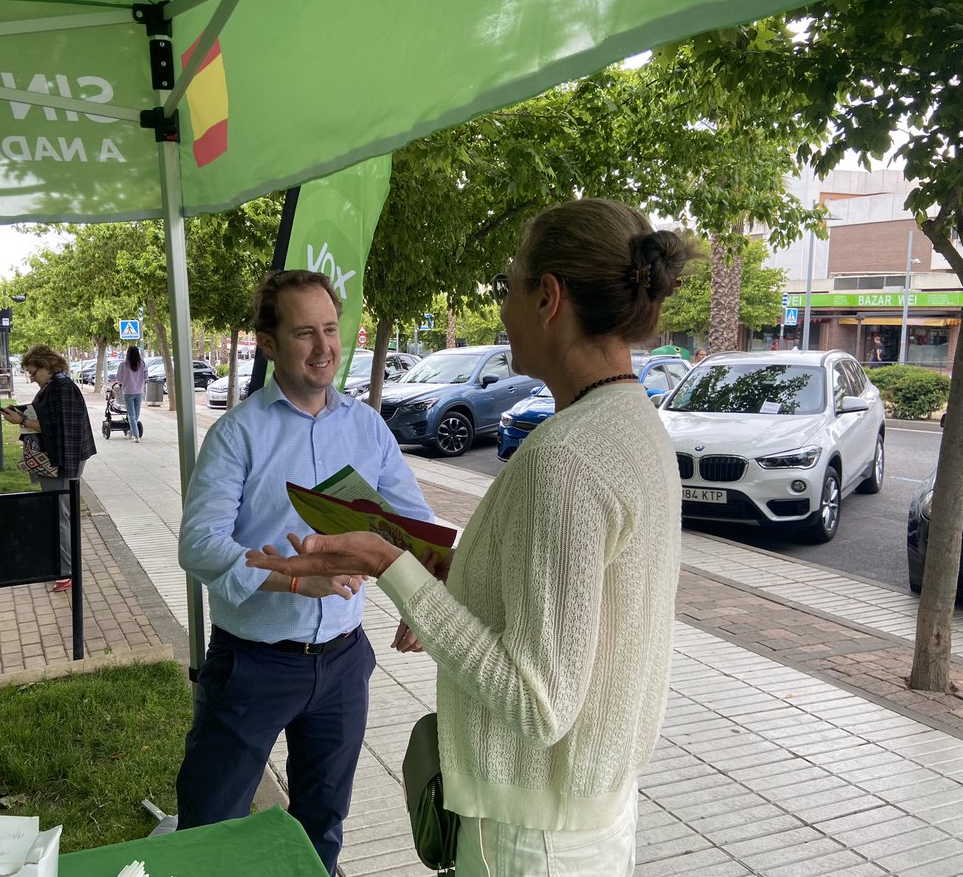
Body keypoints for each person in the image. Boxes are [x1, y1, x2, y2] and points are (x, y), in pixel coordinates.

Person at [249, 199, 692, 876]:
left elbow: (537, 702)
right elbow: (568, 605)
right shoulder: (635, 424)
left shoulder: (566, 458)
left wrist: (392, 567)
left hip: (528, 840)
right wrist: (439, 572)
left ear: (548, 297)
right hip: (585, 820)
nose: (503, 304)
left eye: (506, 285)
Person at [175, 269, 435, 874]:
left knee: (322, 823)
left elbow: (414, 526)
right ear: (266, 344)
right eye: (303, 334)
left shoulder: (367, 426)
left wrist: (421, 601)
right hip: (253, 665)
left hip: (344, 662)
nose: (324, 348)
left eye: (330, 330)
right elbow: (198, 545)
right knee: (210, 825)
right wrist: (293, 577)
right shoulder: (238, 434)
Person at [1, 344, 96, 592]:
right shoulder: (58, 386)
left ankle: (66, 570)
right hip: (62, 457)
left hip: (61, 459)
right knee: (60, 511)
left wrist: (20, 419)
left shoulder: (60, 388)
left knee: (59, 512)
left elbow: (55, 427)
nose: (32, 378)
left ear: (46, 366)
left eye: (34, 372)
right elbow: (51, 419)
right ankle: (64, 566)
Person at [115, 345, 147, 443]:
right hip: (139, 391)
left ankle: (135, 434)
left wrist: (121, 384)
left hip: (127, 392)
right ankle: (133, 432)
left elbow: (119, 379)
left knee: (131, 415)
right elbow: (146, 377)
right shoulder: (142, 364)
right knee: (136, 414)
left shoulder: (123, 365)